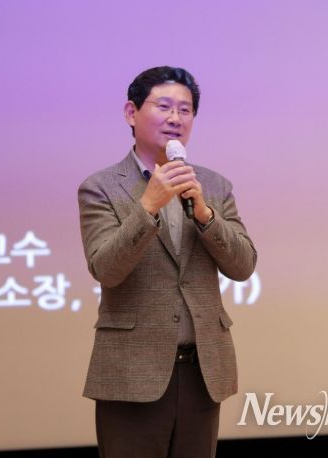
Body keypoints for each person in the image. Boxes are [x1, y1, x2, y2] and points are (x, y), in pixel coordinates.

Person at [77, 66, 257, 458]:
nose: (176, 118)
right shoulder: (101, 188)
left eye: (185, 110)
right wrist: (147, 207)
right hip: (131, 374)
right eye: (163, 106)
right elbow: (106, 269)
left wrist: (206, 216)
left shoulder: (213, 186)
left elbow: (243, 266)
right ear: (131, 112)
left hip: (202, 372)